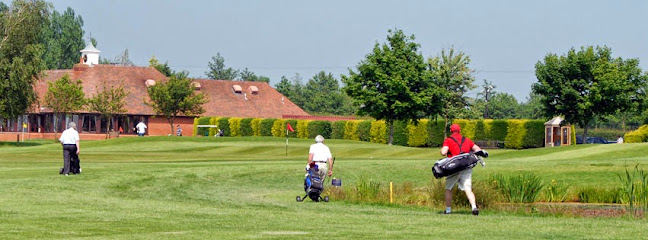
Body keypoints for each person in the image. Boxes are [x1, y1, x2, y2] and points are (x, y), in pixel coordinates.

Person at [440, 124, 483, 215]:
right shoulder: (466, 140)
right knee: (468, 189)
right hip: (466, 167)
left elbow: (443, 152)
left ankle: (448, 210)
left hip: (453, 169)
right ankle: (474, 208)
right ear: (460, 130)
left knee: (448, 189)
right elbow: (478, 149)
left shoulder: (448, 140)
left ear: (451, 131)